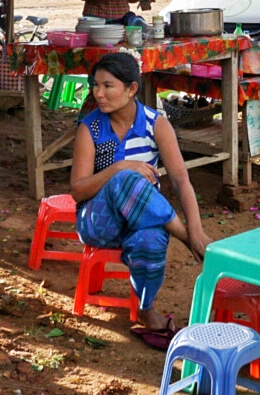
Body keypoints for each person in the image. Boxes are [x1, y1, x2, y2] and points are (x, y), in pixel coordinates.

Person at [70, 51, 208, 351]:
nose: (99, 93)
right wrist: (119, 167)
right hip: (98, 222)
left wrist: (198, 228)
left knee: (151, 237)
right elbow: (78, 191)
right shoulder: (90, 127)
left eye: (108, 86)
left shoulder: (154, 124)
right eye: (96, 85)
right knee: (125, 179)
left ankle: (145, 309)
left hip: (142, 218)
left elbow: (181, 180)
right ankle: (185, 239)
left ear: (131, 89)